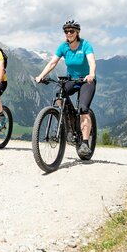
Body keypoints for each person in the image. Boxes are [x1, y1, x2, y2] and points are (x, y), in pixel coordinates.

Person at [34, 20, 97, 159]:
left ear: (77, 32)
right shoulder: (63, 47)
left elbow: (92, 61)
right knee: (58, 96)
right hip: (72, 80)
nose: (69, 34)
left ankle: (85, 143)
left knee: (83, 109)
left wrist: (91, 74)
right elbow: (52, 63)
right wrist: (41, 76)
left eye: (71, 31)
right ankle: (69, 126)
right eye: (66, 31)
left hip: (86, 81)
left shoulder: (85, 45)